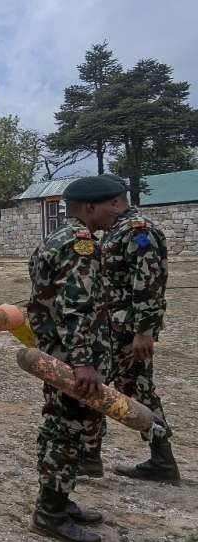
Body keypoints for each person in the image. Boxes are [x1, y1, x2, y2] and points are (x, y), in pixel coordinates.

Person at [26, 176, 127, 542]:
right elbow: (77, 307)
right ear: (88, 208)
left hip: (59, 353)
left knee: (64, 427)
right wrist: (82, 362)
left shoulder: (57, 239)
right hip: (71, 360)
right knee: (65, 430)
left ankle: (60, 499)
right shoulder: (78, 244)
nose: (116, 210)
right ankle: (50, 512)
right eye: (109, 205)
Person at [79, 174, 179, 482]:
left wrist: (144, 331)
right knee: (98, 388)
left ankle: (162, 459)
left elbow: (147, 285)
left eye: (91, 208)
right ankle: (90, 456)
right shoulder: (115, 232)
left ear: (114, 202)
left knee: (139, 390)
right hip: (110, 329)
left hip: (127, 332)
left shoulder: (139, 232)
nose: (88, 215)